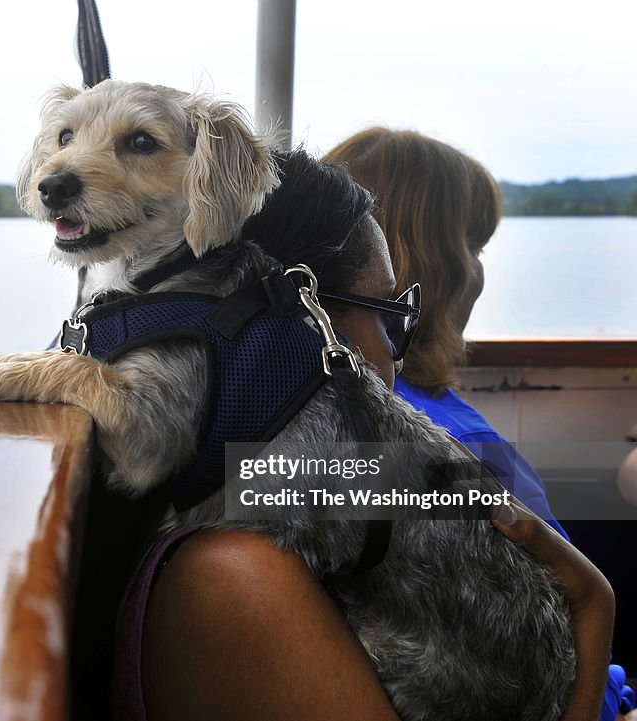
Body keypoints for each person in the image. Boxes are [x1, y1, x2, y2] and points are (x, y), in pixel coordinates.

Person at [113, 149, 616, 721]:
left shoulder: (252, 506)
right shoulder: (236, 572)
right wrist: (592, 606)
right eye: (385, 314)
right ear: (287, 335)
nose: (393, 360)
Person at [324, 127, 634, 721]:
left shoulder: (316, 420)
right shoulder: (457, 451)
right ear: (442, 267)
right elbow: (560, 660)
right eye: (475, 248)